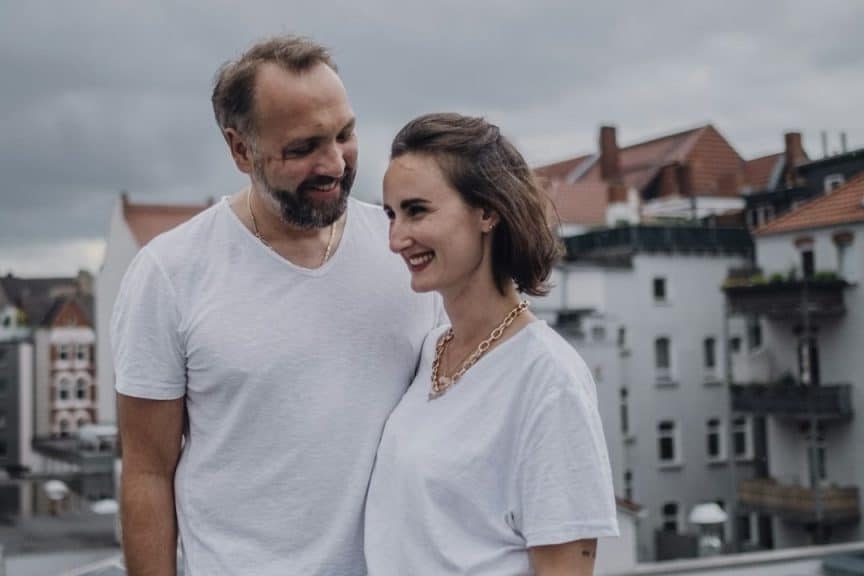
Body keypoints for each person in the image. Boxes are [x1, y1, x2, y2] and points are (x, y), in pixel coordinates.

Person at [111, 36, 441, 575]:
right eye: (303, 147)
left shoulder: (404, 251)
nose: (333, 163)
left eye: (345, 134)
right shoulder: (169, 274)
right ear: (240, 149)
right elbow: (147, 471)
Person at [365, 113, 619, 575]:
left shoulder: (548, 377)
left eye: (417, 210)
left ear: (487, 211)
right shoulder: (431, 351)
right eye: (391, 214)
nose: (396, 239)